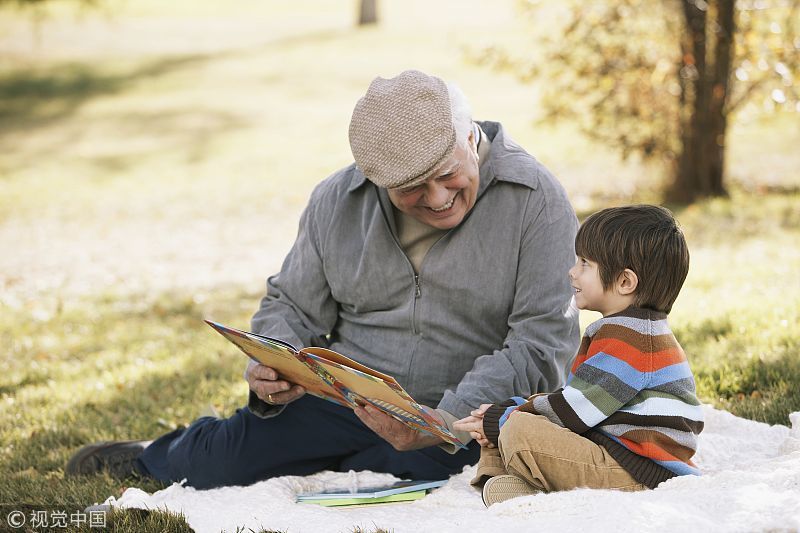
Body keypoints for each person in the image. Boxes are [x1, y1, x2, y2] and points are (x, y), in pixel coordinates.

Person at [66, 70, 580, 489]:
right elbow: (291, 304)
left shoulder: (537, 201)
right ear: (376, 179)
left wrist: (443, 423)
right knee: (217, 468)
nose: (437, 196)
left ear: (470, 137)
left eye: (447, 174)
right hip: (348, 402)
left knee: (414, 482)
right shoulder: (337, 199)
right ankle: (157, 452)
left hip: (467, 419)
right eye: (409, 188)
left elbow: (539, 345)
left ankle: (364, 460)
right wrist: (273, 359)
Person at [454, 205, 704, 506]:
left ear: (625, 282)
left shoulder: (633, 339)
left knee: (516, 425)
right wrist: (509, 411)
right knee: (509, 418)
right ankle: (505, 483)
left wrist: (507, 417)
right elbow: (577, 399)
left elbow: (575, 411)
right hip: (612, 452)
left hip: (636, 474)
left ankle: (522, 485)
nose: (573, 271)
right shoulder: (630, 329)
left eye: (585, 263)